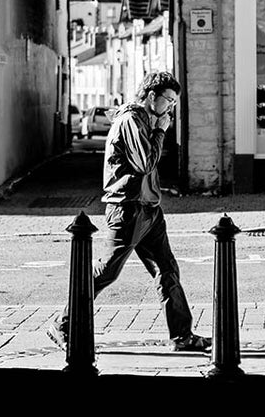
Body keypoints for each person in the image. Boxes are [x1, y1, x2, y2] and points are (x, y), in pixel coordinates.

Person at [48, 71, 211, 353]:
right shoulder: (131, 120)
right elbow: (145, 163)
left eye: (173, 103)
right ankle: (62, 324)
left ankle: (182, 335)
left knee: (167, 270)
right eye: (168, 102)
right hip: (127, 207)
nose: (170, 108)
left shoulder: (146, 119)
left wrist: (158, 126)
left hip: (149, 207)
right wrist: (161, 130)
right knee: (106, 272)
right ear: (151, 97)